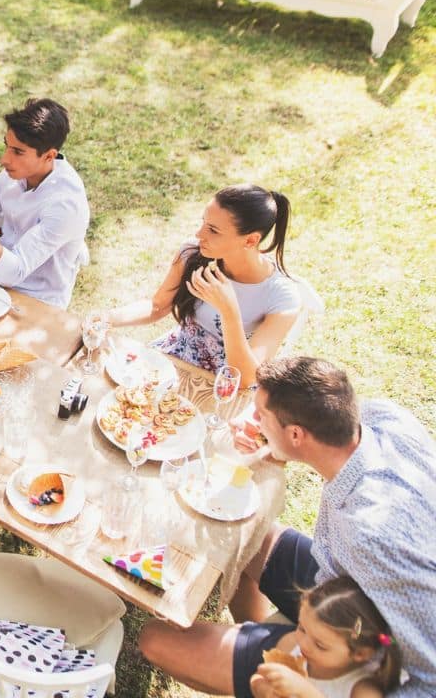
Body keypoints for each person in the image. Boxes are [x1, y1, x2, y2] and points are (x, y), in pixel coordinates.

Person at [138, 357, 436, 698]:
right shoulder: (385, 418)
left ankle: (269, 672)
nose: (251, 421)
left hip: (359, 648)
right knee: (245, 532)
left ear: (296, 433)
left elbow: (430, 681)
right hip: (340, 583)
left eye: (259, 415)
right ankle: (263, 635)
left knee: (155, 640)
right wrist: (274, 447)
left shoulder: (372, 537)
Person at [105, 184, 301, 388]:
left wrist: (229, 310)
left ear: (251, 240)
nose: (199, 234)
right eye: (203, 223)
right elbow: (157, 306)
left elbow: (247, 378)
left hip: (224, 385)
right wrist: (106, 318)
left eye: (213, 230)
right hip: (172, 360)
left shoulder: (283, 297)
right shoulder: (193, 254)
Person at [0, 97, 90, 308]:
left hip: (38, 302)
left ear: (49, 156)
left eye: (18, 152)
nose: (4, 159)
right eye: (7, 146)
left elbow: (12, 272)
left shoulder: (66, 205)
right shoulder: (15, 173)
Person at [249, 576, 401, 698]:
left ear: (360, 653)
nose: (304, 644)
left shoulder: (363, 688)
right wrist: (262, 689)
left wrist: (305, 691)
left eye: (320, 645)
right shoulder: (291, 646)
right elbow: (258, 676)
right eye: (302, 629)